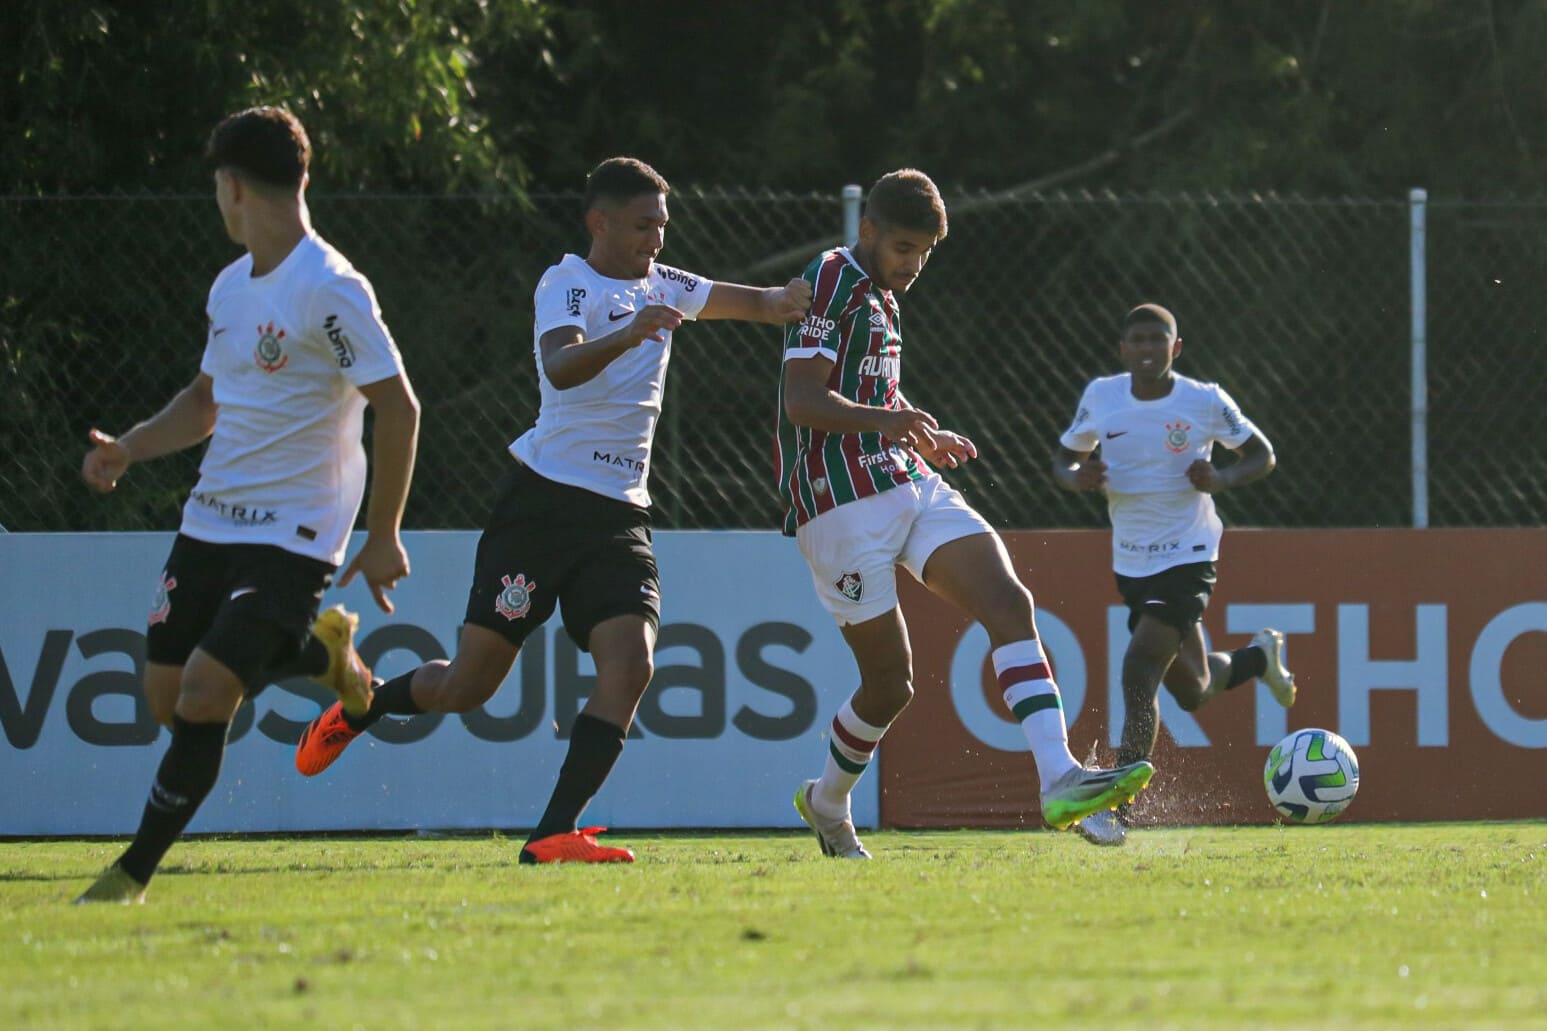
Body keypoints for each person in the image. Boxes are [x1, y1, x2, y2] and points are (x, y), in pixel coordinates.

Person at [294, 156, 812, 863]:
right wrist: (628, 333)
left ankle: (551, 832)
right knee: (468, 685)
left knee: (631, 664)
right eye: (641, 225)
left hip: (619, 516)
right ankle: (367, 705)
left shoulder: (666, 284)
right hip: (542, 504)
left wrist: (805, 292)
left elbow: (760, 304)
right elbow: (562, 364)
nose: (655, 240)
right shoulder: (567, 282)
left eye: (661, 225)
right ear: (599, 221)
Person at [75, 106, 421, 902]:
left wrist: (382, 535)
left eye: (216, 188)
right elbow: (205, 402)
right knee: (168, 703)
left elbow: (398, 407)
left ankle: (131, 874)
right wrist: (129, 445)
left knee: (205, 693)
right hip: (210, 516)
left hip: (297, 532)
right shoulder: (231, 287)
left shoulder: (331, 289)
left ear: (231, 188)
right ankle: (319, 656)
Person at [777, 169, 1154, 860]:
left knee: (1008, 600)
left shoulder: (884, 296)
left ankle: (1057, 777)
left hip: (904, 478)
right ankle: (827, 803)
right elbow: (801, 400)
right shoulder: (830, 277)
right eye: (901, 247)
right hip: (837, 503)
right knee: (890, 684)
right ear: (866, 232)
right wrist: (893, 420)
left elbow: (869, 396)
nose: (912, 264)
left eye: (923, 251)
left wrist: (919, 432)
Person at [1052, 303, 1295, 847]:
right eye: (1136, 341)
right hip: (1132, 562)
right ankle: (1259, 657)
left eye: (1156, 341)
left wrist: (1222, 477)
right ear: (1122, 350)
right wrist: (1077, 478)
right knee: (1195, 690)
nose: (1145, 350)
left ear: (1175, 349)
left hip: (1189, 554)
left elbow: (1263, 455)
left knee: (1140, 668)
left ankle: (1118, 809)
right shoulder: (1102, 396)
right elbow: (1063, 460)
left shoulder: (1203, 400)